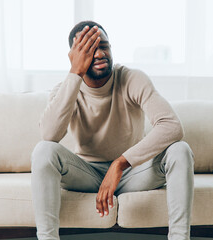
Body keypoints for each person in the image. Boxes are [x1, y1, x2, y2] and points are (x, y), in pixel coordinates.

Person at [31, 20, 194, 240]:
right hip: (86, 174)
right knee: (43, 151)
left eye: (104, 46)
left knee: (180, 150)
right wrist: (75, 74)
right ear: (74, 55)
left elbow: (172, 126)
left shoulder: (131, 79)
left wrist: (119, 164)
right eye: (89, 49)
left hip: (132, 173)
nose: (99, 54)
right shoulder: (65, 90)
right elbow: (49, 136)